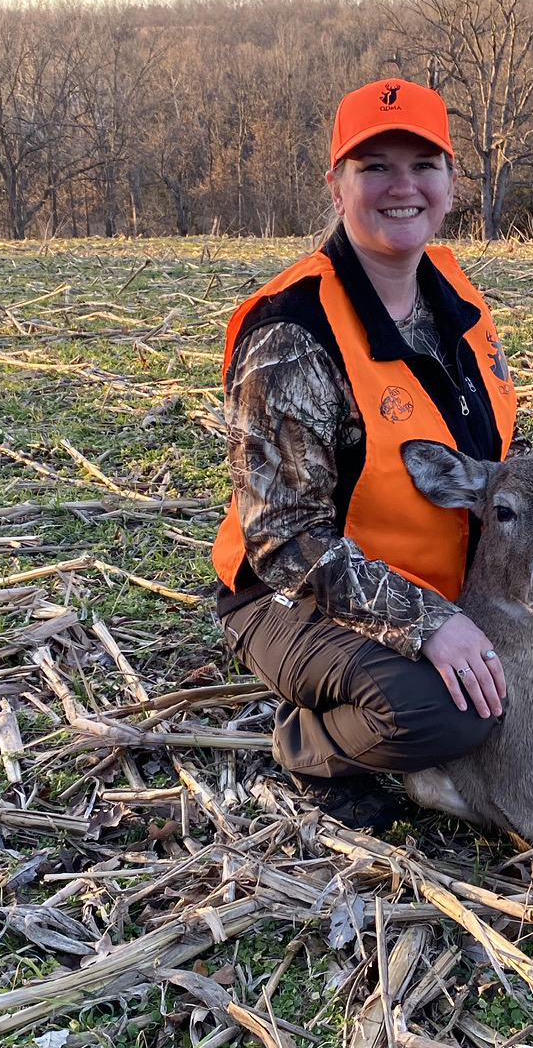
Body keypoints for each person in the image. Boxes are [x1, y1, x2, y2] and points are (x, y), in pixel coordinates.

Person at [212, 78, 517, 829]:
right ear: (337, 186)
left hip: (436, 580)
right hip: (291, 598)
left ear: (450, 183)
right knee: (449, 717)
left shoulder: (451, 295)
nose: (403, 186)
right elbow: (283, 543)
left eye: (424, 164)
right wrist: (428, 624)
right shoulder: (294, 336)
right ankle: (308, 743)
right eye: (374, 166)